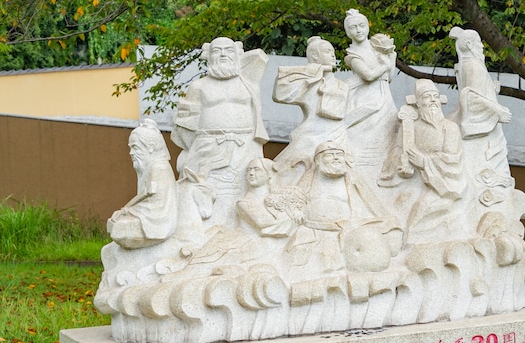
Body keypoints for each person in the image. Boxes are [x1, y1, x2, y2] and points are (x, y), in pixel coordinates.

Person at [172, 37, 268, 226]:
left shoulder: (249, 84)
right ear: (208, 55)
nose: (223, 54)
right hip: (208, 146)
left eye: (228, 50)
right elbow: (185, 124)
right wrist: (198, 147)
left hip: (246, 146)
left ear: (238, 55)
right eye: (217, 51)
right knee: (204, 193)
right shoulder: (198, 86)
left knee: (243, 192)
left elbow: (260, 59)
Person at [289, 141, 402, 272]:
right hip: (314, 229)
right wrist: (296, 210)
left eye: (339, 154)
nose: (336, 157)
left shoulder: (351, 177)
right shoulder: (309, 177)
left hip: (347, 229)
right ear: (318, 160)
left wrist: (388, 220)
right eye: (329, 155)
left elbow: (372, 202)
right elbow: (295, 197)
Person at [379, 79, 466, 241]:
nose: (432, 100)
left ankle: (413, 241)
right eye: (427, 97)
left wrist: (423, 161)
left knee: (421, 209)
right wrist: (402, 164)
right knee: (400, 203)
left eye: (435, 96)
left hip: (440, 186)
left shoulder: (449, 128)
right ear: (417, 102)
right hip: (411, 181)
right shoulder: (411, 126)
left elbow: (451, 158)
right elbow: (397, 150)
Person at [272, 36, 350, 183]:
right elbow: (280, 94)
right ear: (315, 56)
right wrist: (306, 76)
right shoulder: (306, 81)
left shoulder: (342, 86)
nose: (333, 55)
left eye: (333, 52)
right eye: (328, 51)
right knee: (284, 172)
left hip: (335, 135)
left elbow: (335, 112)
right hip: (309, 134)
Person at [341, 9, 398, 175]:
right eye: (353, 27)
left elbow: (390, 77)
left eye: (361, 25)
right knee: (363, 134)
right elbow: (368, 75)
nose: (358, 30)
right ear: (347, 31)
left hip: (385, 96)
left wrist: (391, 57)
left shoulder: (378, 47)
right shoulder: (352, 55)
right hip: (366, 98)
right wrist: (385, 64)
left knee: (389, 133)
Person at [107, 119, 178, 249]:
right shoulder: (148, 166)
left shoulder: (158, 166)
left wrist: (126, 209)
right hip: (147, 210)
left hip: (157, 217)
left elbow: (148, 193)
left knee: (120, 225)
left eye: (135, 147)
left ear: (150, 147)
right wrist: (127, 210)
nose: (131, 152)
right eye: (130, 148)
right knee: (116, 222)